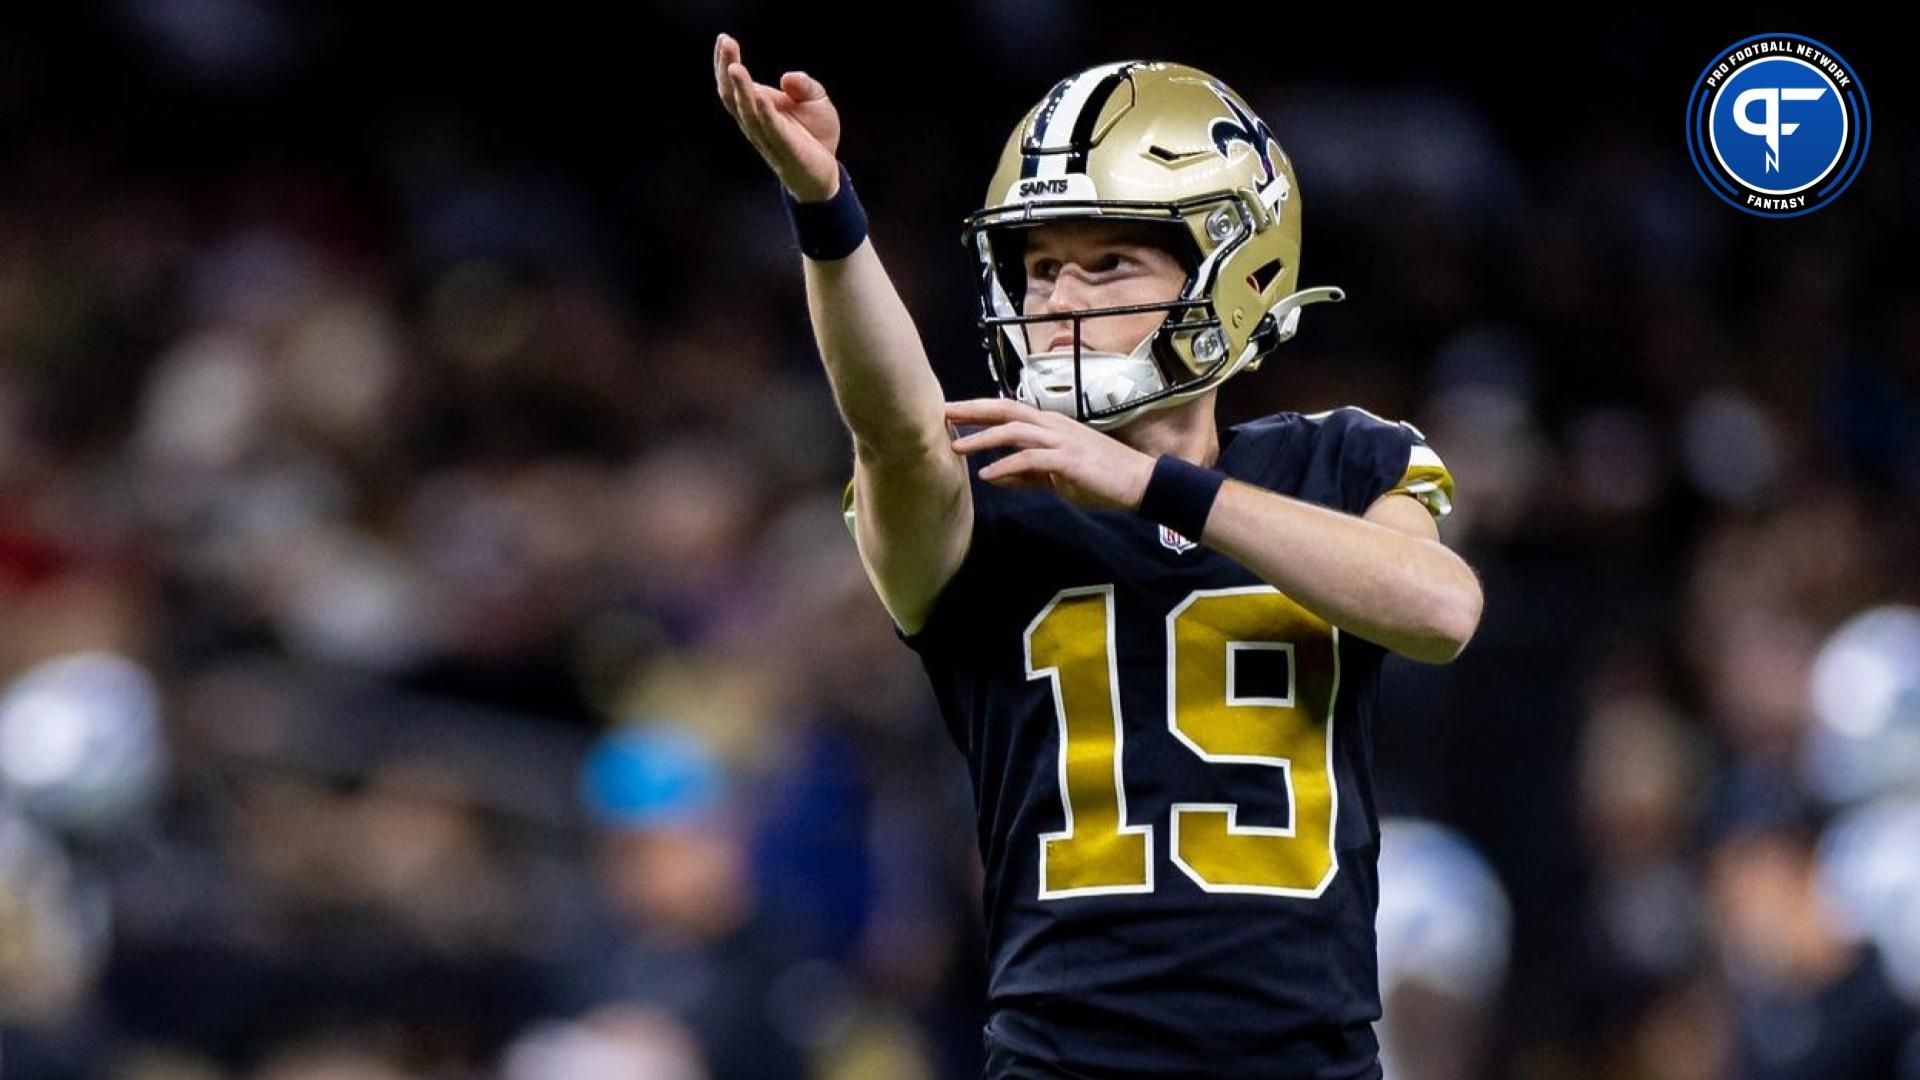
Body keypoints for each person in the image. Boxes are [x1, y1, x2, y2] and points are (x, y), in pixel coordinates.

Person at [713, 36, 1484, 1078]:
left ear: (1231, 265)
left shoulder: (1340, 460)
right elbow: (894, 428)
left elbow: (1438, 610)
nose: (1058, 300)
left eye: (1107, 261)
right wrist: (828, 213)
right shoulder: (990, 496)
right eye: (1038, 269)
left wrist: (1156, 487)